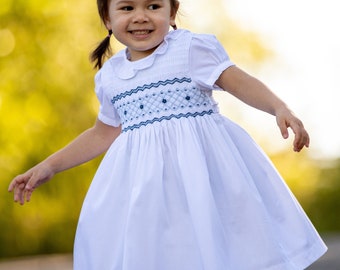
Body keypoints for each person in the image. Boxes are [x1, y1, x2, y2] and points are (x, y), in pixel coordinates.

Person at [9, 0, 327, 269]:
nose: (141, 16)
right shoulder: (110, 77)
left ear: (172, 13)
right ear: (107, 18)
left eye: (153, 5)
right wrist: (49, 165)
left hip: (204, 178)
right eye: (127, 7)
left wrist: (279, 107)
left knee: (217, 245)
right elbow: (101, 134)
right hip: (145, 190)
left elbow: (237, 82)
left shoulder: (190, 49)